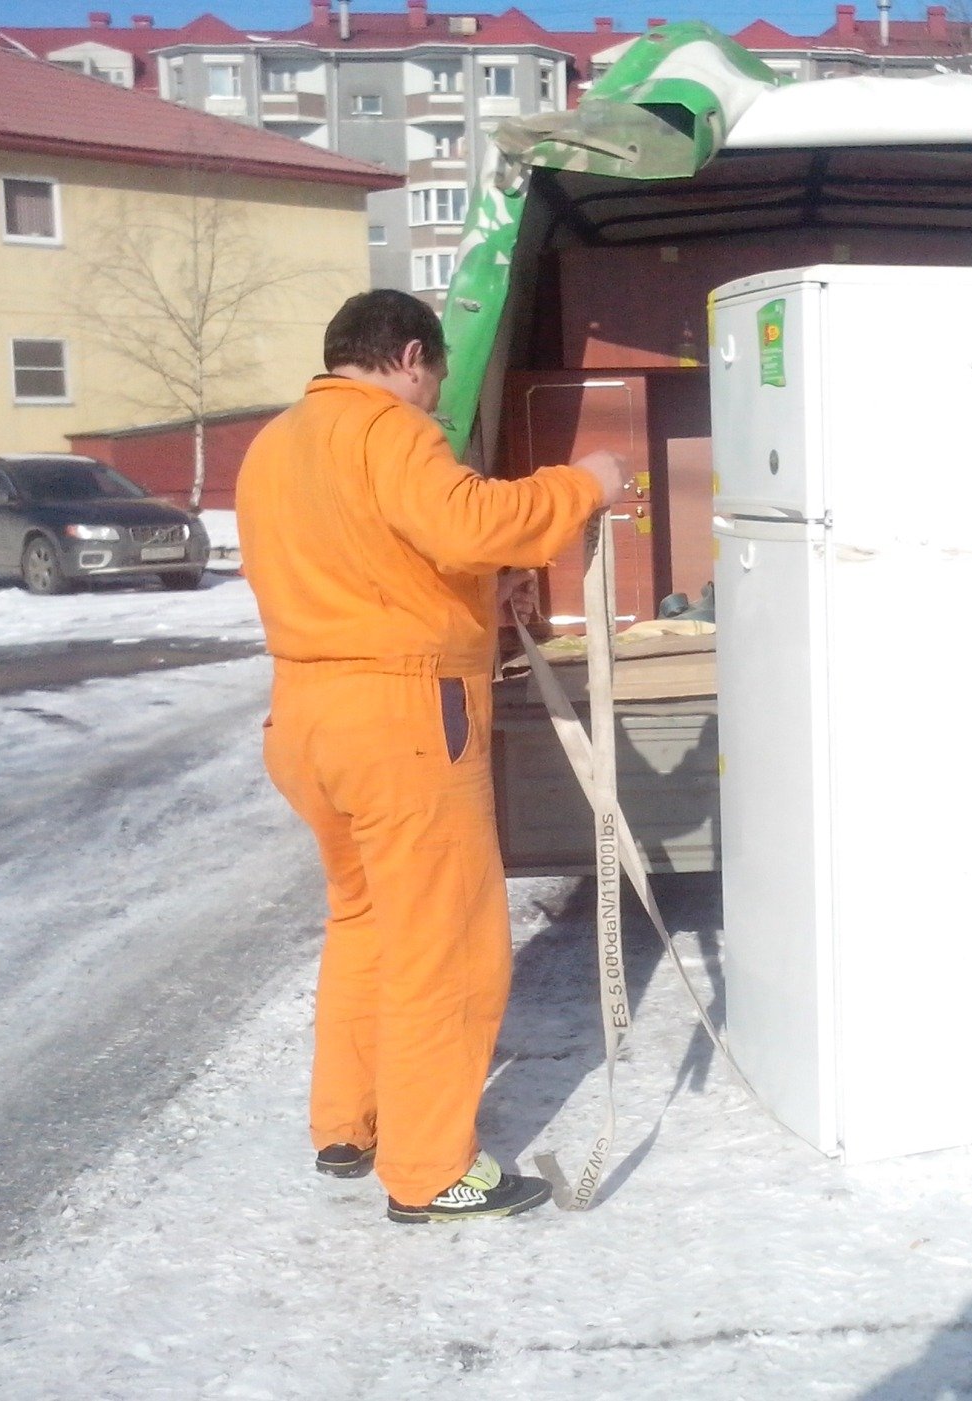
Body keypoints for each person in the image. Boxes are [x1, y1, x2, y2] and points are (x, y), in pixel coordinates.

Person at [236, 289, 624, 1220]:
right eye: (439, 379)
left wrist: (472, 608)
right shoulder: (392, 431)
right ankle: (430, 1168)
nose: (436, 400)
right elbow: (468, 522)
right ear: (411, 357)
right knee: (443, 944)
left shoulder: (275, 445)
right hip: (403, 722)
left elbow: (369, 565)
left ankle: (347, 1122)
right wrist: (587, 484)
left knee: (363, 919)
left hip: (306, 716)